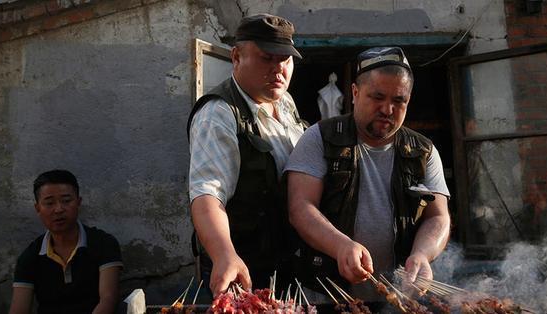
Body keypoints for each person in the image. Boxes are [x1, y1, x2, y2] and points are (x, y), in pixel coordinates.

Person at [285, 47, 451, 298]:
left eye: (399, 101)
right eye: (377, 97)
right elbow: (300, 208)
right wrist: (340, 245)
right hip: (326, 294)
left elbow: (438, 217)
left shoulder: (423, 151)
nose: (387, 109)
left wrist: (422, 254)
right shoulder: (320, 138)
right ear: (355, 92)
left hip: (399, 299)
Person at [187, 13, 306, 296]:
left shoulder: (285, 103)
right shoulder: (218, 114)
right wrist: (224, 254)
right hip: (242, 267)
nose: (279, 70)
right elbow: (207, 194)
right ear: (236, 56)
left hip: (285, 258)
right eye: (267, 58)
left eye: (285, 60)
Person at [9, 170, 123, 314]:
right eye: (49, 203)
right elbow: (19, 309)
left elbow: (108, 299)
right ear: (38, 209)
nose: (58, 209)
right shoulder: (30, 257)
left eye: (66, 201)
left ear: (78, 203)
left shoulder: (103, 243)